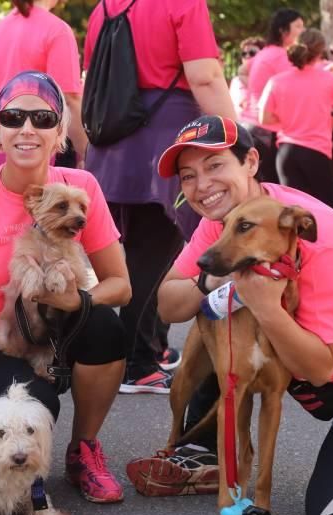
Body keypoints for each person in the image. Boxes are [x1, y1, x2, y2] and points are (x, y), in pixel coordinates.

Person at [127, 115, 333, 515]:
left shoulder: (316, 234)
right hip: (330, 390)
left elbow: (318, 369)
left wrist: (266, 306)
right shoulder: (221, 222)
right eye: (188, 176)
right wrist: (214, 279)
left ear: (251, 162)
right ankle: (206, 451)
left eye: (215, 165)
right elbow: (169, 306)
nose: (202, 185)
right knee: (220, 323)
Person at [0, 71, 131, 503]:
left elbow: (121, 285)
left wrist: (79, 299)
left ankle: (83, 450)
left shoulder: (81, 189)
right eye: (14, 117)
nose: (27, 129)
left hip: (56, 326)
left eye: (42, 118)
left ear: (59, 132)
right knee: (39, 410)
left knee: (107, 328)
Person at [83, 0, 236, 393]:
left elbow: (92, 76)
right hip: (164, 133)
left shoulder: (104, 7)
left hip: (114, 136)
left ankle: (152, 345)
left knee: (139, 249)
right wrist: (231, 137)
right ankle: (137, 361)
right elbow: (204, 77)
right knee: (156, 252)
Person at [0, 0, 87, 178]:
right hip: (28, 140)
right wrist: (86, 154)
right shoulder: (56, 30)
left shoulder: (0, 27)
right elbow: (69, 100)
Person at [259, 29, 333, 208]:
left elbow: (264, 118)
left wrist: (287, 121)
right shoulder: (328, 79)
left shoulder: (277, 81)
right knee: (326, 211)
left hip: (286, 152)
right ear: (320, 52)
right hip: (317, 152)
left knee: (293, 213)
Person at [244, 7, 305, 184]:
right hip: (267, 131)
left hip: (250, 126)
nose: (302, 31)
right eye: (298, 26)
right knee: (271, 189)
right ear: (283, 30)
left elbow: (242, 70)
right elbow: (297, 87)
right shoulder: (282, 56)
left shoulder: (264, 53)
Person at [230, 36, 265, 122]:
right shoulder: (236, 81)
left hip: (259, 128)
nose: (247, 56)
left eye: (252, 53)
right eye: (244, 53)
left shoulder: (268, 80)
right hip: (238, 127)